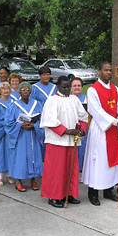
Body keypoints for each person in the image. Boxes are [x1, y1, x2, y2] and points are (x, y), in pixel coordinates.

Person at [81, 62, 118, 206]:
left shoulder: (114, 88)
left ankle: (108, 190)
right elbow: (96, 110)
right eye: (106, 70)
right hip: (100, 129)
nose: (108, 73)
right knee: (98, 160)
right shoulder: (93, 90)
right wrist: (115, 121)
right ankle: (93, 193)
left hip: (112, 129)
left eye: (110, 71)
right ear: (99, 71)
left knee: (111, 161)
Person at [41, 76, 88, 208]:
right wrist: (66, 131)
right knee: (57, 170)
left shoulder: (74, 99)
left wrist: (81, 131)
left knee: (70, 169)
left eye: (69, 86)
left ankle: (69, 193)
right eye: (64, 87)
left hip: (72, 140)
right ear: (58, 86)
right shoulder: (52, 100)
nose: (67, 89)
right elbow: (49, 121)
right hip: (57, 141)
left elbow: (83, 117)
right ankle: (54, 196)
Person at [5, 81, 44, 192]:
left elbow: (42, 120)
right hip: (20, 137)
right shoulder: (13, 106)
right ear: (19, 91)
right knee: (20, 158)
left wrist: (34, 125)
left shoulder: (37, 104)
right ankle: (18, 181)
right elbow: (8, 123)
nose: (25, 92)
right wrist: (20, 125)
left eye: (27, 90)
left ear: (30, 91)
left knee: (33, 157)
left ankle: (33, 179)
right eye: (23, 90)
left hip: (33, 135)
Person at [71, 77, 88, 171]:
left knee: (84, 147)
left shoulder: (86, 99)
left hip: (84, 127)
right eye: (74, 86)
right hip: (71, 127)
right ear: (71, 88)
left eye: (79, 85)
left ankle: (82, 168)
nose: (77, 88)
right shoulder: (68, 99)